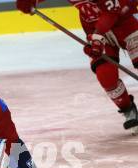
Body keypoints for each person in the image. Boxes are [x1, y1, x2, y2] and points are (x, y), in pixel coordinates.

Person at [16, 0, 138, 134]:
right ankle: (128, 110)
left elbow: (111, 12)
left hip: (127, 23)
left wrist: (96, 37)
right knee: (105, 75)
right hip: (96, 29)